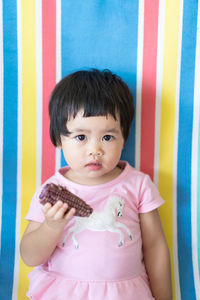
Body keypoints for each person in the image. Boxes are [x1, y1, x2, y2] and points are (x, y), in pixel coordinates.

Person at [20, 69, 172, 300]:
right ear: (58, 140)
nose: (95, 150)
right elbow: (30, 256)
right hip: (65, 292)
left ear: (124, 137)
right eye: (81, 137)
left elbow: (154, 247)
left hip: (125, 293)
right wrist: (51, 226)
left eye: (108, 137)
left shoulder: (138, 185)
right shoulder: (51, 190)